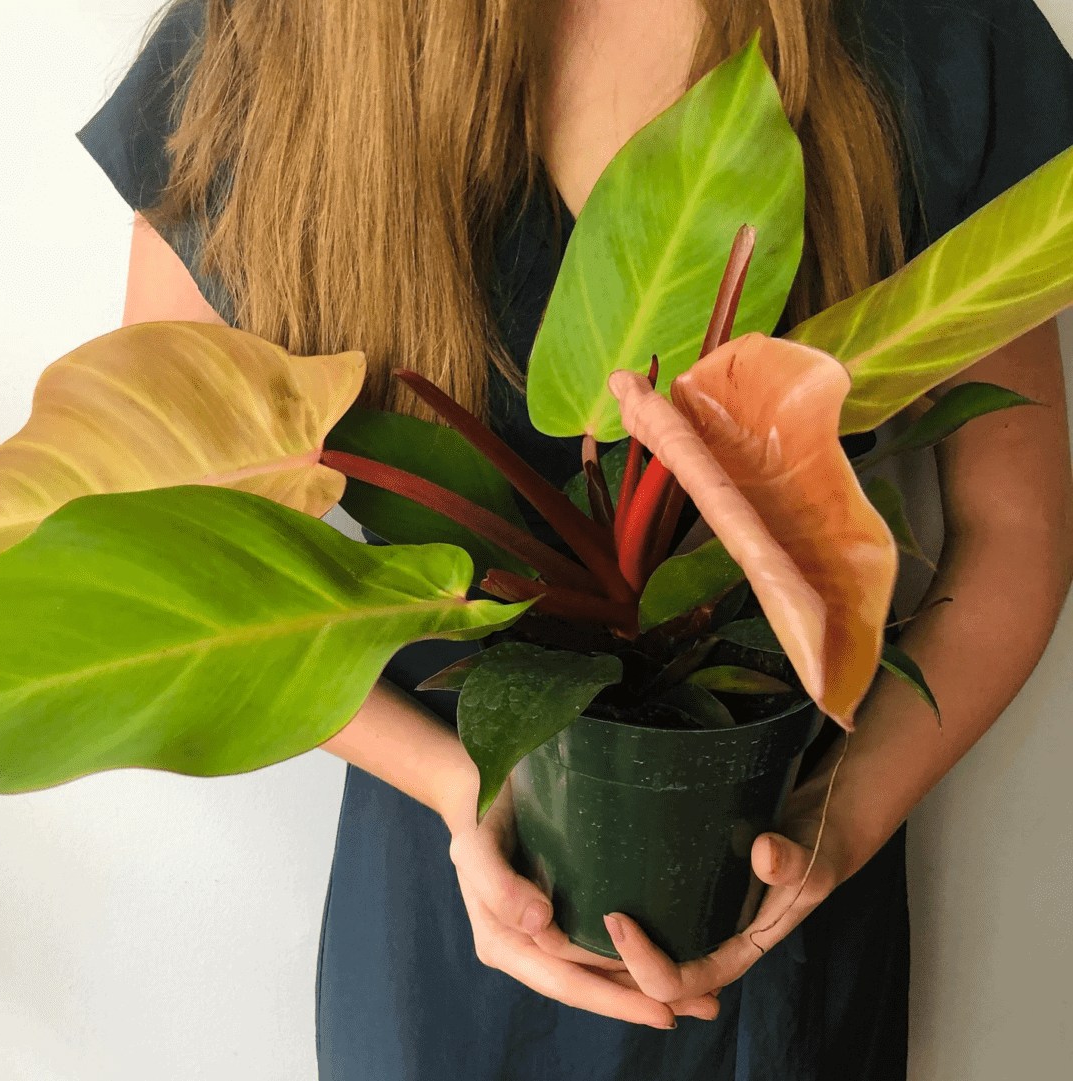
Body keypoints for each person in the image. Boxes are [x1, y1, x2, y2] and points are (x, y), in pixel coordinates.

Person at [76, 1, 1073, 1077]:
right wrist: (464, 790)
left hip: (779, 884)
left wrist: (846, 813)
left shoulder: (915, 29)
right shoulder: (283, 36)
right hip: (451, 907)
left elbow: (1012, 522)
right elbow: (177, 538)